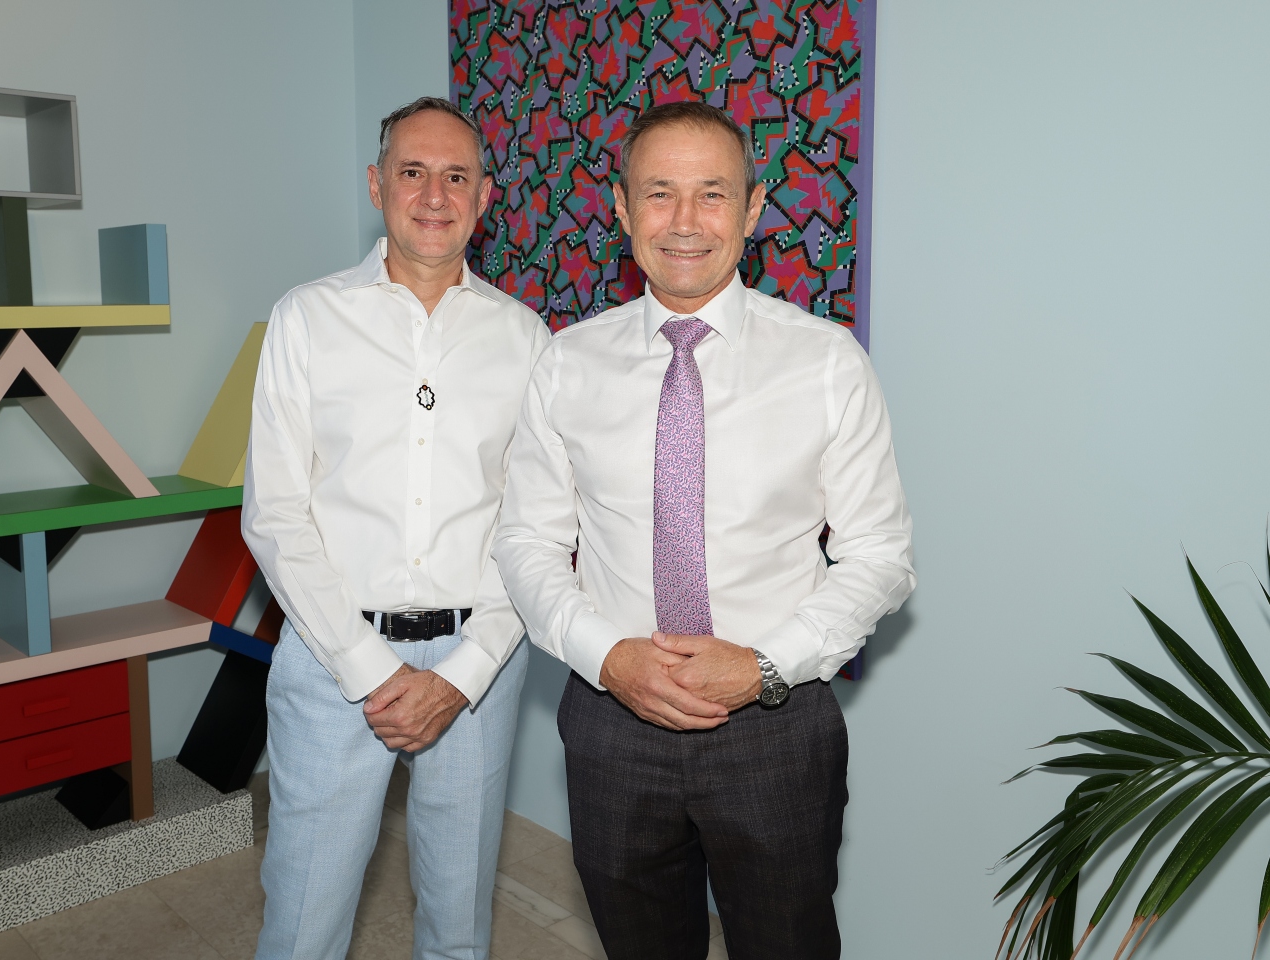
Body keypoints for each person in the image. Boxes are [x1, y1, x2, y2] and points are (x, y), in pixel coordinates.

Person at [492, 100, 915, 959]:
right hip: (611, 721)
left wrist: (763, 665)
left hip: (776, 725)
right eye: (659, 193)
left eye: (712, 193)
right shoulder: (568, 363)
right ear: (622, 209)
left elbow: (880, 557)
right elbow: (526, 542)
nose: (684, 221)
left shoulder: (827, 364)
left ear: (752, 210)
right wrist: (609, 657)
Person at [243, 96, 549, 960]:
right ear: (377, 185)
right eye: (413, 171)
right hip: (332, 655)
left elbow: (532, 525)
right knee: (303, 923)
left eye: (457, 176)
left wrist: (463, 674)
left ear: (484, 196)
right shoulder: (307, 317)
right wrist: (370, 669)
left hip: (479, 664)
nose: (434, 195)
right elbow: (275, 515)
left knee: (459, 924)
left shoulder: (525, 338)